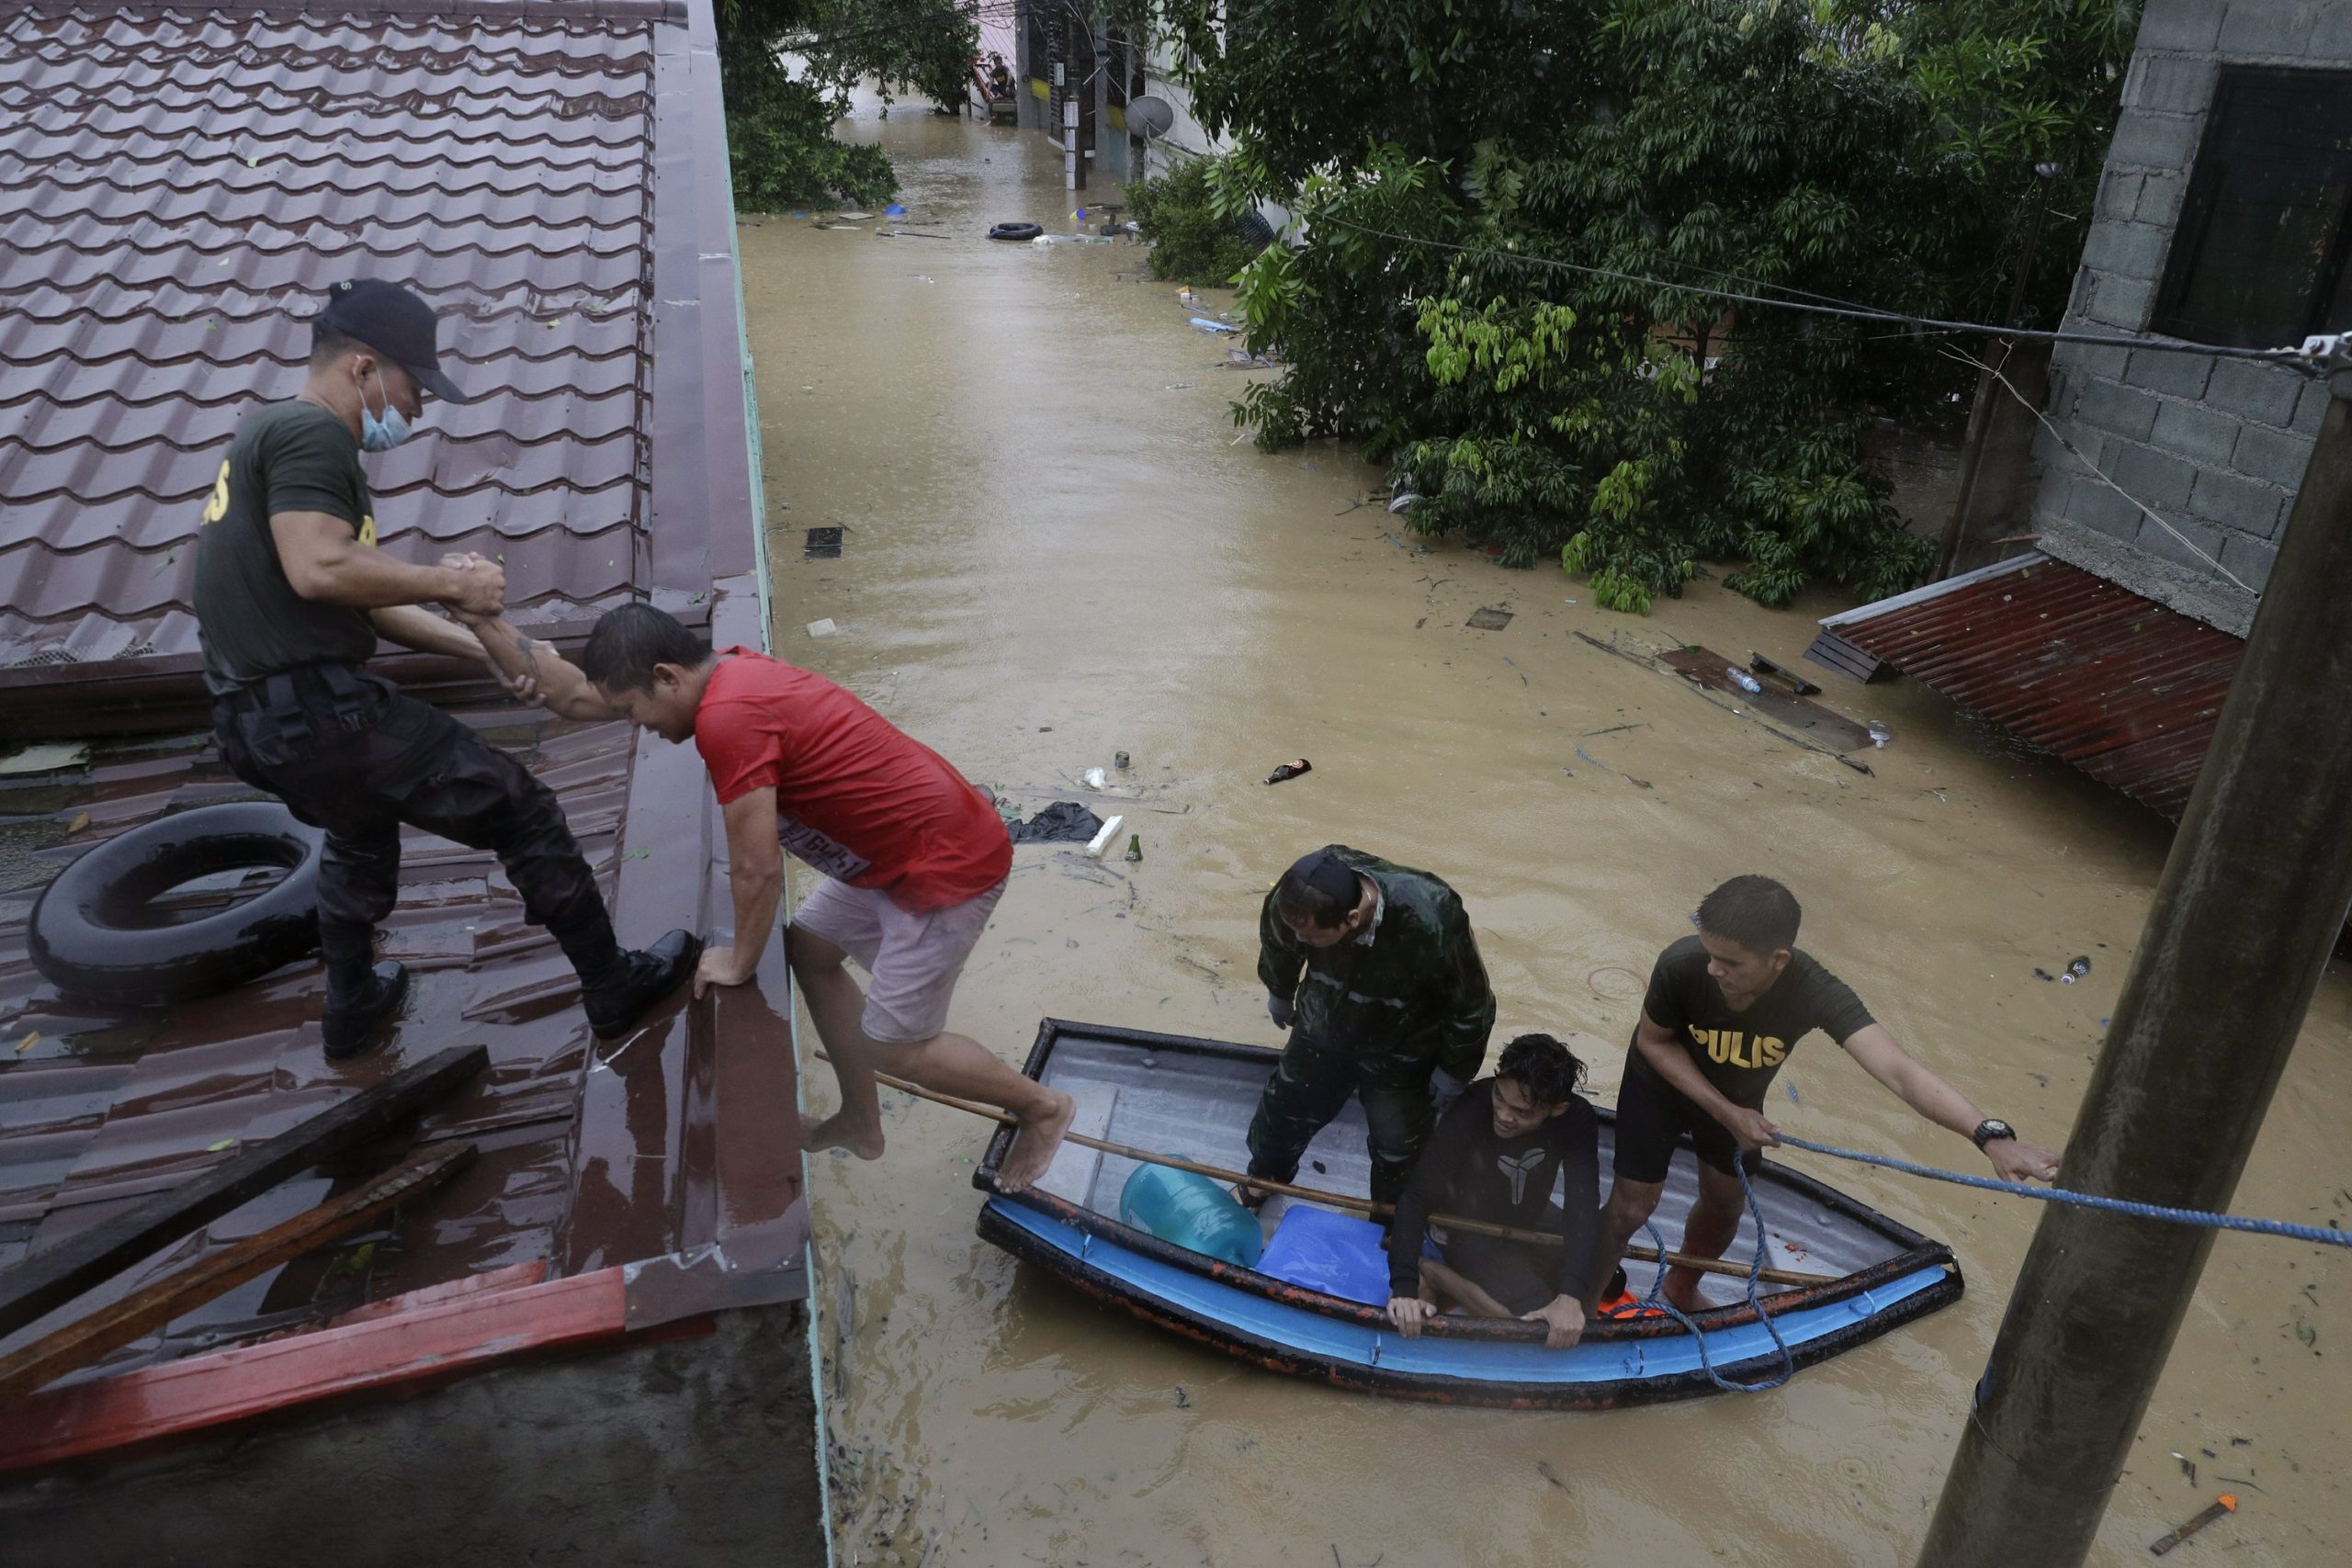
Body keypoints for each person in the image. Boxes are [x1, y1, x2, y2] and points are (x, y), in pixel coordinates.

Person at [191, 278, 696, 1059]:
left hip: (255, 727)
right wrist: (453, 581)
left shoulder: (268, 442)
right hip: (318, 710)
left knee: (361, 831)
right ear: (364, 369)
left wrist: (483, 644)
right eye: (414, 384)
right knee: (522, 809)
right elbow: (319, 569)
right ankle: (611, 984)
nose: (420, 406)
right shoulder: (309, 433)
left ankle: (352, 1005)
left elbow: (370, 604)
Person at [468, 603, 1077, 1190]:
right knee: (808, 950)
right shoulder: (726, 672)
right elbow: (576, 695)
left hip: (943, 866)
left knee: (897, 1047)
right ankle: (861, 1123)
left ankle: (1043, 1107)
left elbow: (757, 870)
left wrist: (736, 962)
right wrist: (483, 621)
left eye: (633, 710)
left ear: (666, 676)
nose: (636, 726)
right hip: (890, 855)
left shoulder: (727, 718)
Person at [1592, 874, 2063, 1311]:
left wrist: (1990, 1136)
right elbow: (1654, 1043)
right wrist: (1729, 1113)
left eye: (1730, 963)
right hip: (1661, 1083)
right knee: (1635, 1203)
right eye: (1709, 953)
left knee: (1726, 1201)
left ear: (1778, 959)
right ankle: (1586, 1294)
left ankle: (1680, 1288)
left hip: (1735, 1102)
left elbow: (1899, 1070)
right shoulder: (1682, 964)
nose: (1714, 970)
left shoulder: (1815, 991)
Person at [1238, 846, 1496, 1212]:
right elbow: (1279, 942)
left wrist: (1456, 1068)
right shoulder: (1296, 894)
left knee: (1399, 1148)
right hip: (1323, 1026)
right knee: (1282, 1114)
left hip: (1403, 1047)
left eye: (1311, 939)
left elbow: (1470, 1002)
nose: (1301, 942)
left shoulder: (1432, 915)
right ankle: (1262, 1182)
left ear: (1352, 918)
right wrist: (1279, 989)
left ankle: (1391, 1221)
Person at [1386, 1033, 1600, 1349]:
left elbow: (1582, 1206)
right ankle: (1433, 1273)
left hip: (1528, 1215)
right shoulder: (1474, 1106)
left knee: (1595, 1271)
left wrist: (1571, 1295)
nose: (1503, 1115)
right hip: (1464, 1223)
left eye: (1522, 1112)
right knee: (1535, 1323)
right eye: (1500, 1096)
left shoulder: (1577, 1118)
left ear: (1557, 1109)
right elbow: (1417, 1195)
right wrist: (1404, 1287)